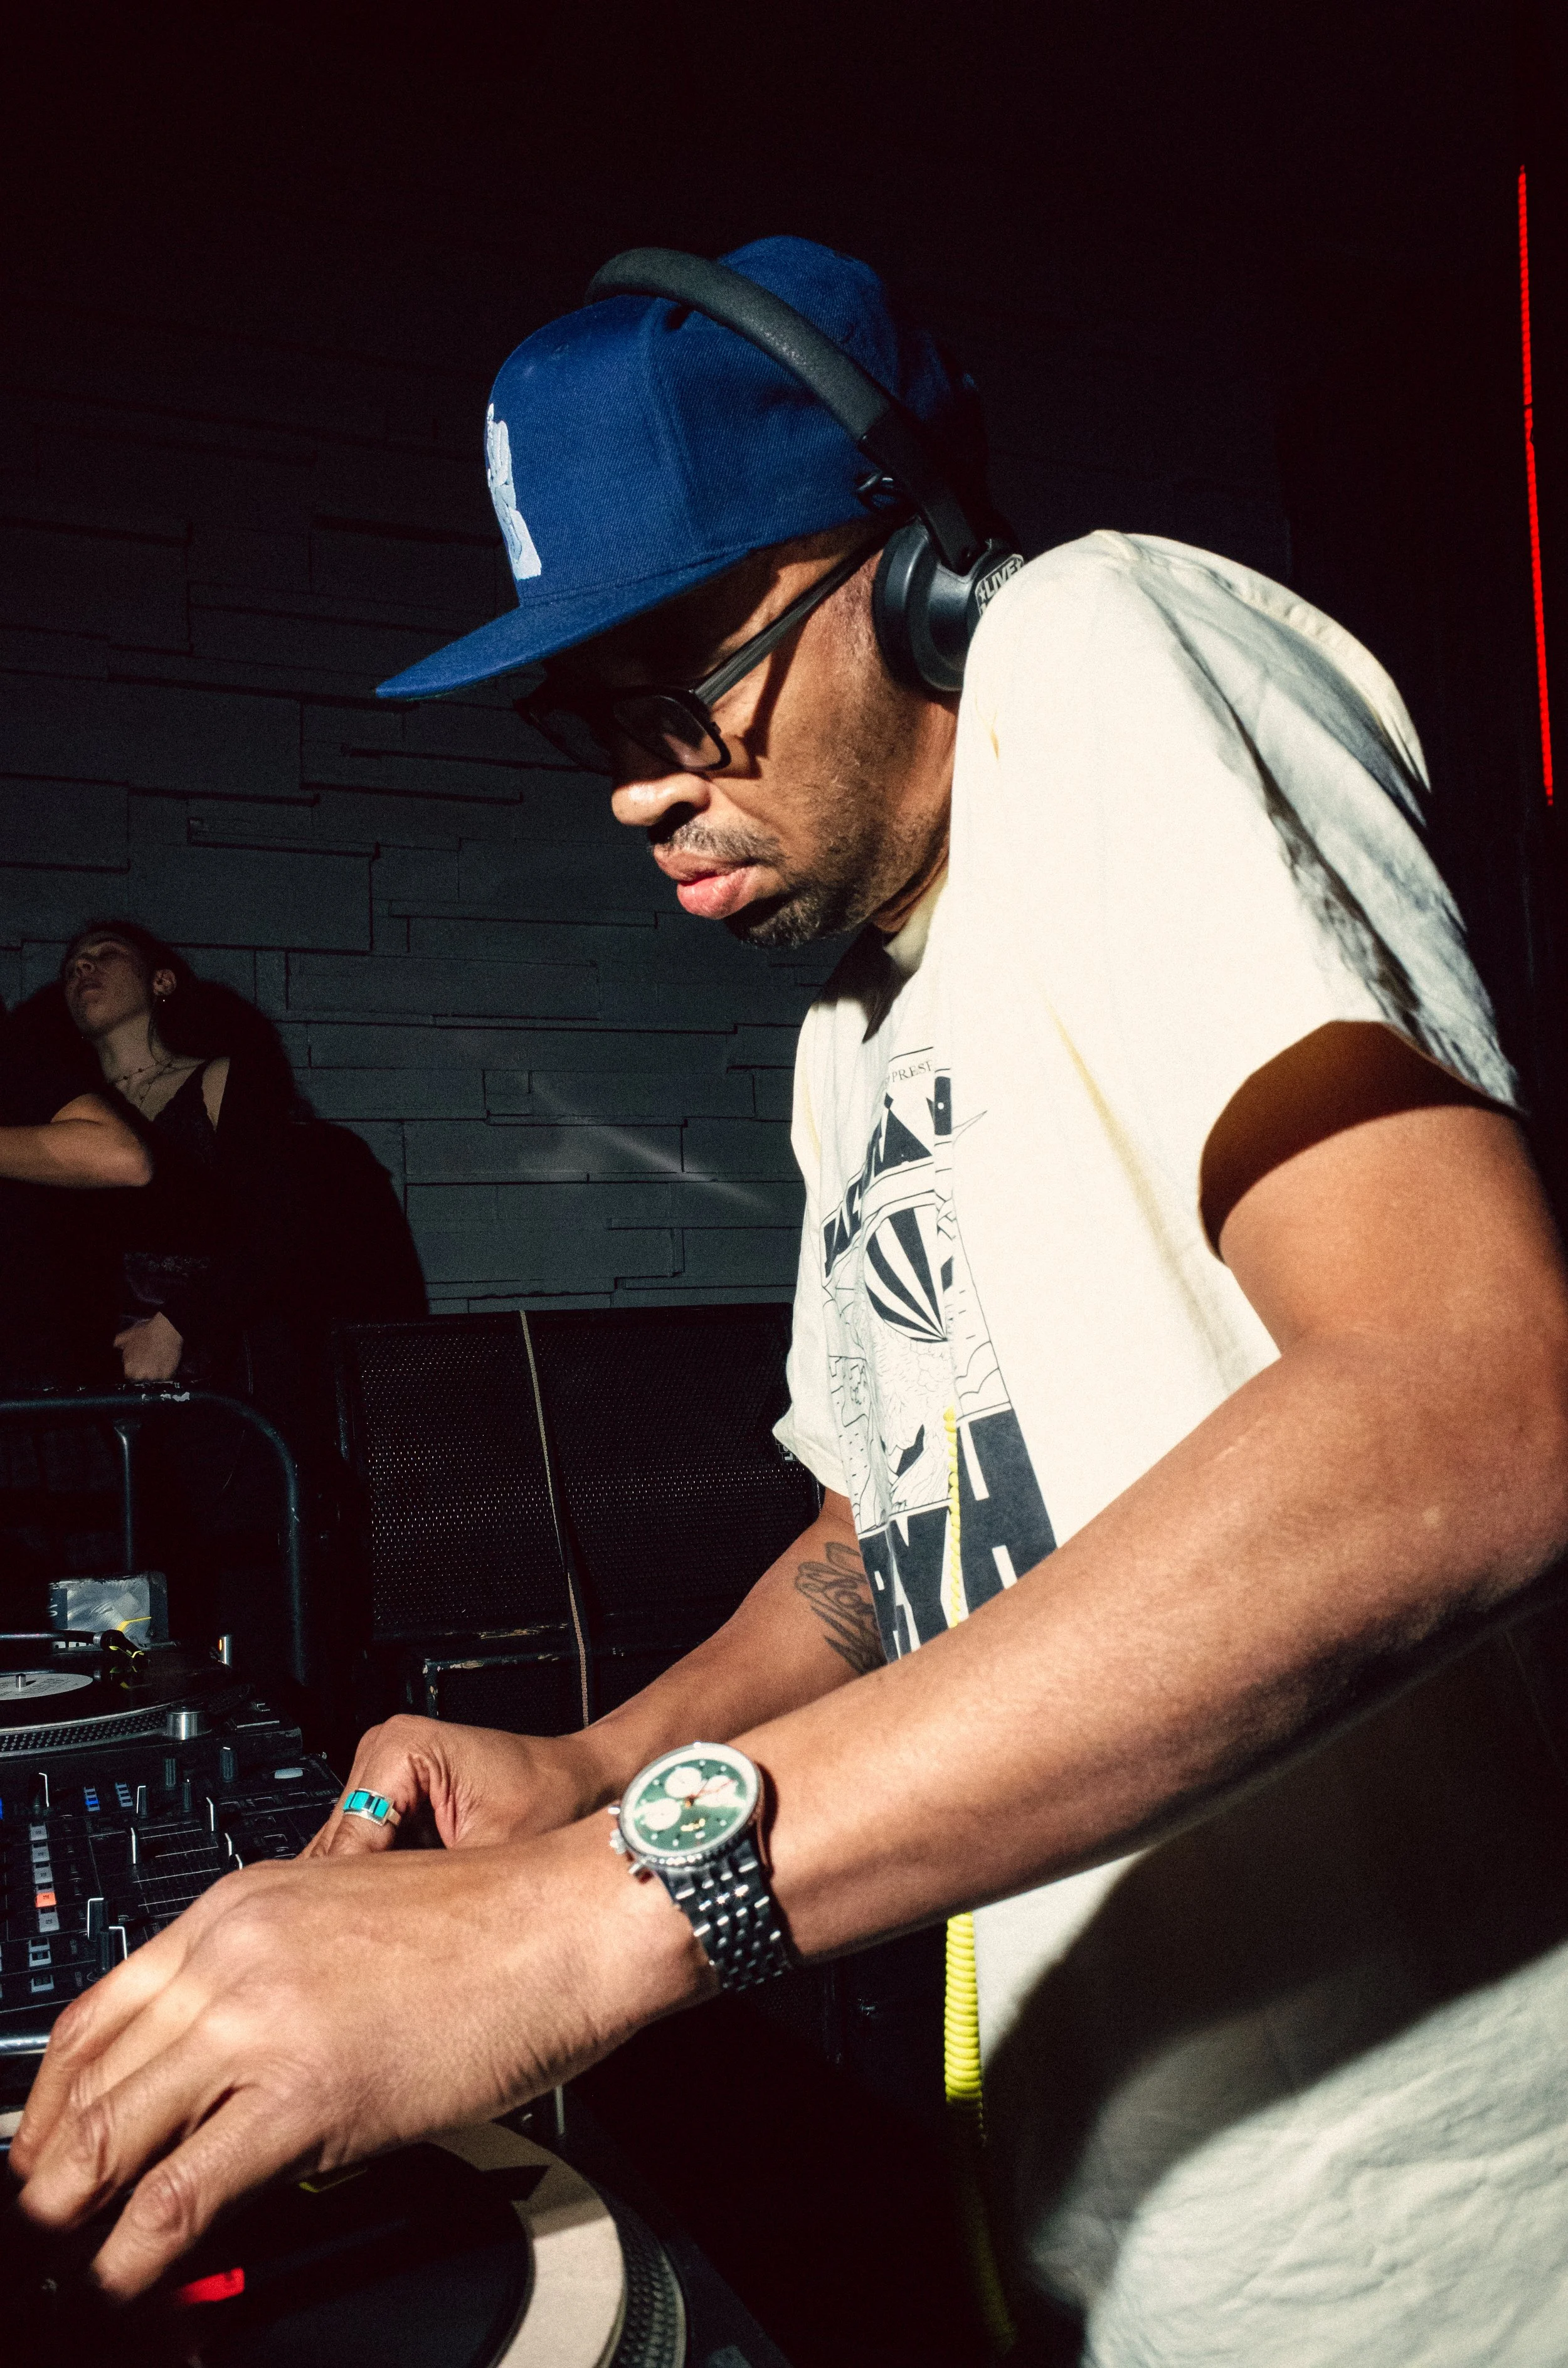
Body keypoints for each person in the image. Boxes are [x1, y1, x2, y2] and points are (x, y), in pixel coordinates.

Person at [15, 240, 1568, 2367]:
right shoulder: (857, 1031)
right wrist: (592, 1767)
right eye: (594, 716)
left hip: (1422, 2243)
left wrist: (576, 1929)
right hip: (1096, 2206)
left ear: (916, 571)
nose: (640, 780)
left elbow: (1471, 1403)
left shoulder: (1093, 640)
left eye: (689, 675)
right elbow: (877, 1540)